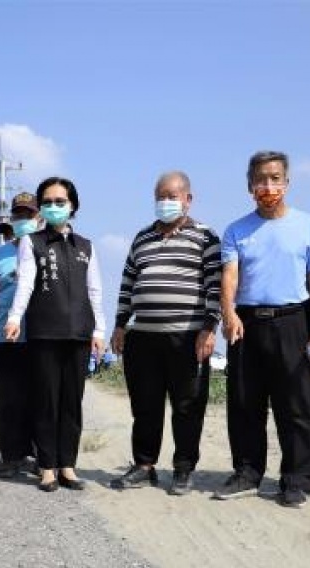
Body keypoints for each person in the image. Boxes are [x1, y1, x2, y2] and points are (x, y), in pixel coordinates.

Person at [216, 151, 310, 508]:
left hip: (292, 322)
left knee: (295, 405)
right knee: (245, 402)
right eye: (261, 180)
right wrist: (228, 313)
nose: (268, 186)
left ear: (287, 182)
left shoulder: (309, 226)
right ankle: (247, 473)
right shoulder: (236, 229)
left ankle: (295, 478)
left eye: (275, 178)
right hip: (247, 324)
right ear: (250, 186)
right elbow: (230, 276)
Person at [109, 170, 221, 496]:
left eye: (172, 196)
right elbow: (128, 283)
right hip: (142, 336)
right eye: (160, 196)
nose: (166, 202)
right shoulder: (141, 238)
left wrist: (209, 328)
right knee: (145, 405)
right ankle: (144, 465)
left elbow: (214, 286)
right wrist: (120, 324)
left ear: (188, 199)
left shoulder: (205, 237)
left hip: (186, 336)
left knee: (187, 405)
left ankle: (184, 469)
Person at [4, 176, 106, 492]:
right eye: (47, 202)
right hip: (44, 332)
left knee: (72, 402)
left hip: (78, 333)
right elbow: (25, 283)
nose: (53, 207)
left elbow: (95, 291)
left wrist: (99, 329)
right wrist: (15, 316)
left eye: (60, 202)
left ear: (72, 206)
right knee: (46, 399)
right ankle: (46, 466)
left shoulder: (86, 246)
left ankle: (68, 465)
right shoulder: (31, 242)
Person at [0, 191, 40, 479]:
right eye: (18, 215)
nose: (22, 219)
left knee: (37, 398)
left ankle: (35, 453)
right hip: (4, 338)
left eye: (28, 215)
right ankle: (10, 456)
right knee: (9, 399)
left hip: (39, 337)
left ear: (38, 218)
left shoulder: (45, 250)